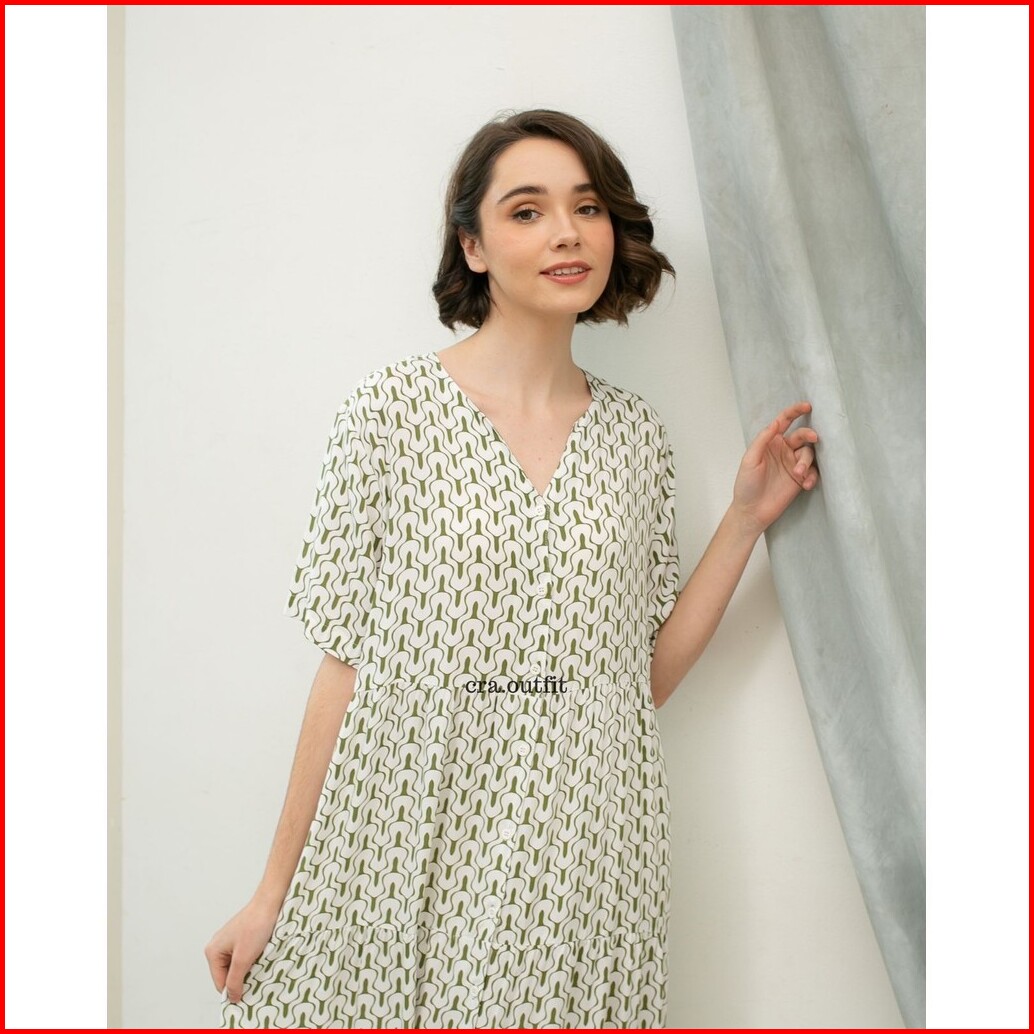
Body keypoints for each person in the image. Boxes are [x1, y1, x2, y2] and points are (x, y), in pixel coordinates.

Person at [204, 108, 819, 1029]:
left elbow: (633, 679)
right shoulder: (389, 413)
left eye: (587, 207)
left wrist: (742, 521)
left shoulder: (636, 439)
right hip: (405, 839)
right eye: (527, 211)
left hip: (579, 857)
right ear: (474, 245)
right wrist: (269, 895)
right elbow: (342, 668)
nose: (567, 232)